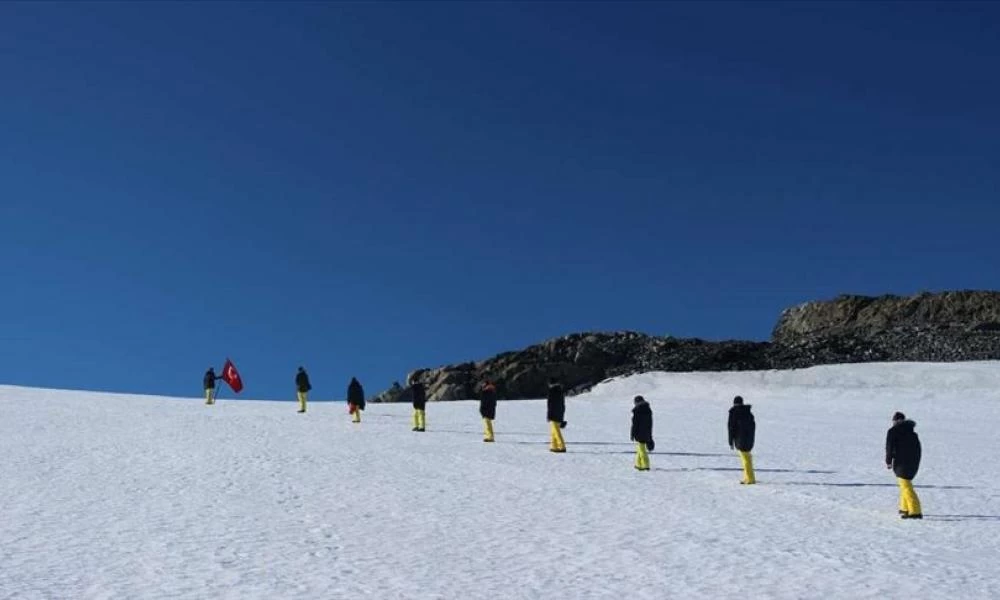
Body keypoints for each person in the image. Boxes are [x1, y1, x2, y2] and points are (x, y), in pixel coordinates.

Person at [886, 411, 923, 519]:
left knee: (906, 486)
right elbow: (918, 449)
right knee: (904, 484)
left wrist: (888, 461)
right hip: (913, 462)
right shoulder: (912, 433)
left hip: (901, 463)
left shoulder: (893, 431)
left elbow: (889, 448)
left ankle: (915, 511)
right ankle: (905, 508)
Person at [728, 395, 756, 485]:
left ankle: (750, 479)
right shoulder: (748, 413)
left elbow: (731, 428)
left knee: (745, 459)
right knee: (748, 458)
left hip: (740, 440)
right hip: (749, 440)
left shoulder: (734, 413)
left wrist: (730, 441)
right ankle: (749, 477)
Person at [631, 396, 653, 471]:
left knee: (642, 449)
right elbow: (650, 423)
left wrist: (632, 433)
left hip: (639, 433)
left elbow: (635, 424)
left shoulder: (637, 410)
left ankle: (645, 465)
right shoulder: (648, 409)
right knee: (639, 449)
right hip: (646, 432)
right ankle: (638, 464)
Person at [546, 378, 567, 453]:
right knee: (553, 431)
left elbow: (550, 405)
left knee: (556, 431)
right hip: (560, 413)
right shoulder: (560, 391)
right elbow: (562, 405)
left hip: (553, 414)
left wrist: (549, 415)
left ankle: (561, 446)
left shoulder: (552, 391)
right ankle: (554, 446)